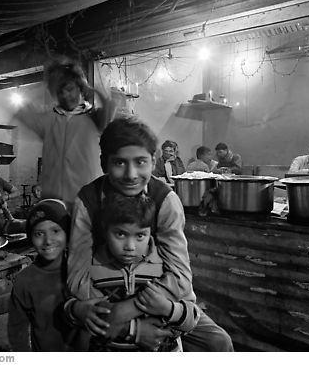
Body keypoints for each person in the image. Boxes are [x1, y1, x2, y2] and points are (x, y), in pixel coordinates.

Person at [67, 116, 233, 352]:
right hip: (105, 297)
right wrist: (127, 326)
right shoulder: (88, 200)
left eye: (141, 162)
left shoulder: (165, 200)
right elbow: (77, 277)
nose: (131, 174)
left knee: (219, 343)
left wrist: (128, 311)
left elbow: (179, 275)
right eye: (120, 163)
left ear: (153, 161)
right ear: (104, 163)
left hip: (160, 298)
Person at [66, 192, 200, 351]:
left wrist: (168, 309)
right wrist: (134, 330)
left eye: (140, 235)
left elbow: (191, 319)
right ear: (105, 231)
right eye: (120, 234)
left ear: (151, 233)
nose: (130, 246)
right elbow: (89, 318)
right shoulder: (94, 268)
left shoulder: (166, 268)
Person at [16, 57, 120, 209]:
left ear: (80, 88)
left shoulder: (93, 117)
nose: (65, 95)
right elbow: (23, 111)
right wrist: (49, 81)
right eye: (60, 91)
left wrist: (89, 87)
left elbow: (110, 104)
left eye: (70, 89)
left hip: (86, 197)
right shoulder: (48, 119)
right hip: (54, 197)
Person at [8, 199, 87, 351]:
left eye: (55, 231)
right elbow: (17, 331)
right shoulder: (24, 281)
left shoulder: (80, 271)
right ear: (31, 238)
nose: (48, 241)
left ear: (67, 234)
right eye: (39, 234)